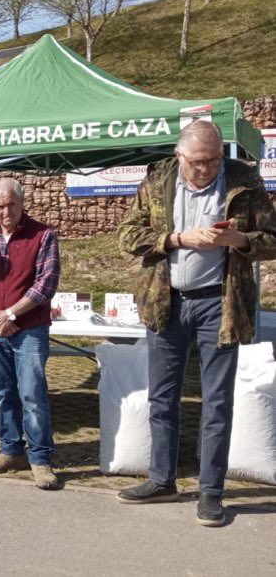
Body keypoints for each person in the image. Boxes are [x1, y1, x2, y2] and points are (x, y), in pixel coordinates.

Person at [117, 119, 276, 526]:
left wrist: (239, 241)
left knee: (217, 403)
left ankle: (211, 493)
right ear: (179, 155)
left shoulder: (243, 181)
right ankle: (161, 480)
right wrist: (176, 240)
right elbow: (127, 236)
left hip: (219, 306)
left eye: (213, 161)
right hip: (165, 303)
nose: (205, 169)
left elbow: (274, 237)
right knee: (162, 399)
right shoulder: (158, 181)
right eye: (198, 162)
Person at [0, 177, 61, 490]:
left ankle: (40, 458)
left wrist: (10, 314)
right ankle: (10, 450)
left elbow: (46, 284)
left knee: (32, 395)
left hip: (29, 328)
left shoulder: (43, 235)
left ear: (22, 203)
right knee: (1, 393)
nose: (5, 211)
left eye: (11, 205)